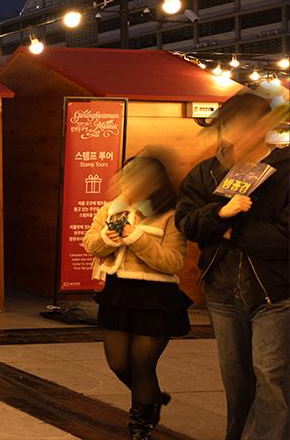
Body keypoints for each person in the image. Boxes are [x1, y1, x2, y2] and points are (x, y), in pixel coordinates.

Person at [176, 90, 288, 440]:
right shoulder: (206, 174)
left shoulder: (285, 171)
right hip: (223, 292)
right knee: (236, 380)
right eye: (232, 126)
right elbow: (187, 223)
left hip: (276, 293)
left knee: (271, 375)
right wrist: (219, 214)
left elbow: (285, 239)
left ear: (264, 126)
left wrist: (229, 231)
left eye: (248, 126)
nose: (239, 134)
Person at [83, 155, 190, 440]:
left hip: (156, 298)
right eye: (124, 175)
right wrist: (107, 238)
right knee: (118, 363)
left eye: (133, 177)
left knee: (142, 364)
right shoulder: (111, 209)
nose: (124, 182)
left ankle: (140, 425)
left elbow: (173, 261)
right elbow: (90, 245)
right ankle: (153, 397)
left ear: (153, 182)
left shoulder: (170, 214)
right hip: (118, 293)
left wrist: (136, 238)